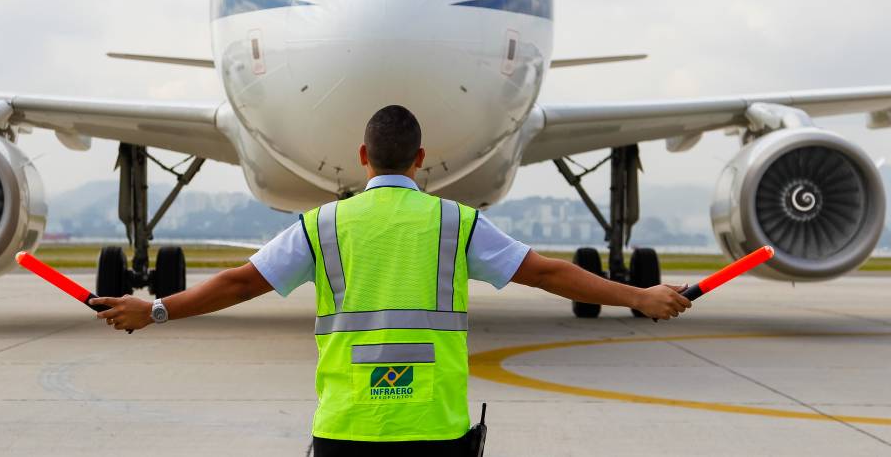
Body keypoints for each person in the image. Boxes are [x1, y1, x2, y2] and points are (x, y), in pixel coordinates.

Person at [92, 105, 691, 456]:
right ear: (419, 157)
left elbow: (239, 283)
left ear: (363, 155)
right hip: (434, 431)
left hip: (347, 429)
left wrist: (157, 309)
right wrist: (639, 295)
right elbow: (549, 273)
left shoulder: (323, 224)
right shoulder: (456, 222)